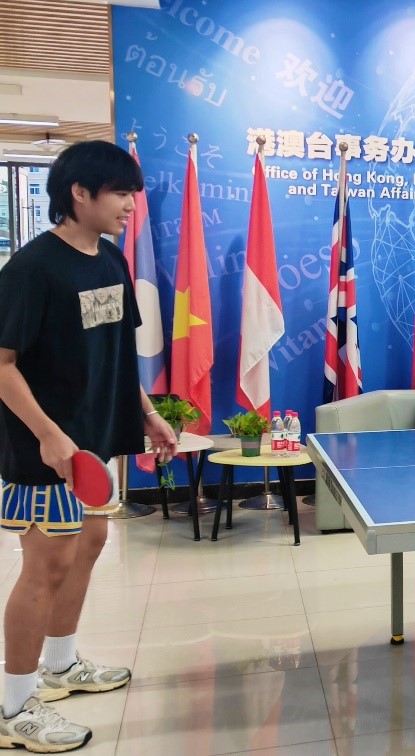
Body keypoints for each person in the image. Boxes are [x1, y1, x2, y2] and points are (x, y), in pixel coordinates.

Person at [0, 140, 179, 750]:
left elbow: (115, 352)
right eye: (120, 192)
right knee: (45, 566)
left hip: (95, 441)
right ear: (79, 193)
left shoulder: (111, 260)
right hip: (46, 449)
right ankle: (14, 706)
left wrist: (149, 415)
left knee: (91, 543)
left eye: (132, 193)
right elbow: (2, 364)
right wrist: (49, 434)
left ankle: (60, 663)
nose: (131, 204)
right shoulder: (31, 269)